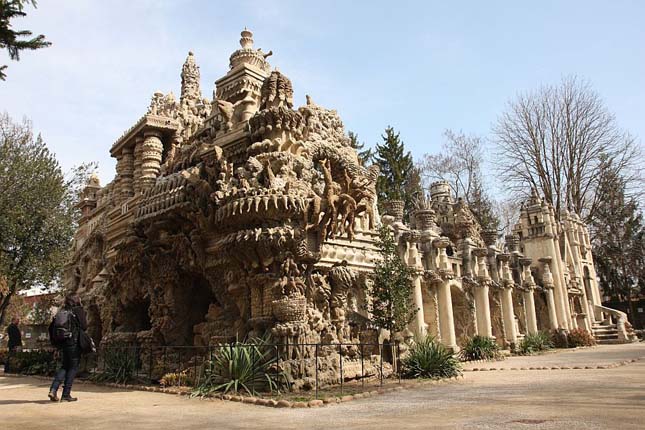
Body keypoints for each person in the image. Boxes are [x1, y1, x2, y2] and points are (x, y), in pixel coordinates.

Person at [48, 295, 87, 402]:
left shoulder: (61, 311)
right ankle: (66, 395)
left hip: (63, 343)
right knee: (73, 368)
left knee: (64, 366)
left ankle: (53, 389)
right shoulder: (77, 310)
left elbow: (51, 328)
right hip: (73, 343)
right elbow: (84, 326)